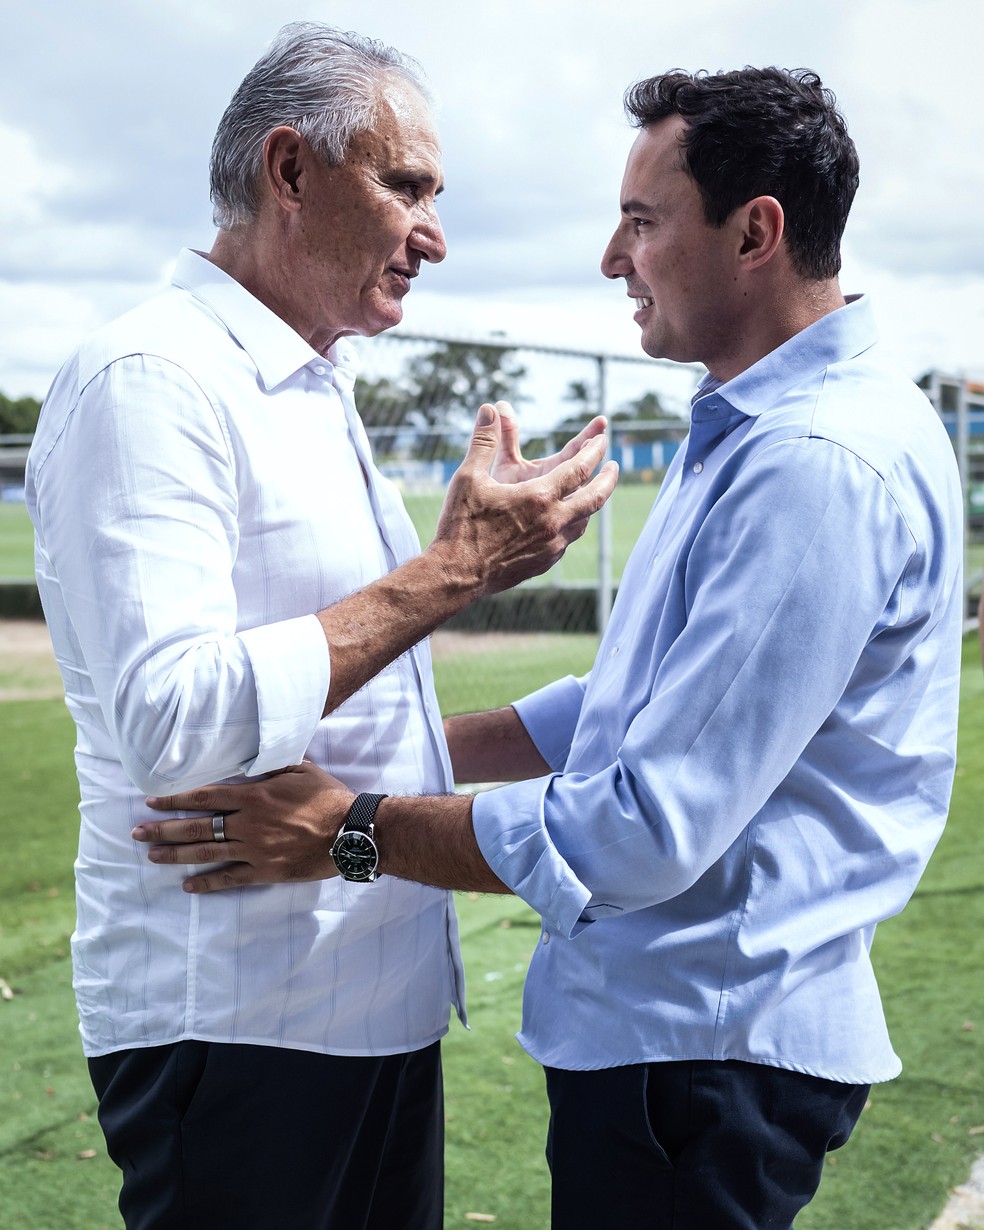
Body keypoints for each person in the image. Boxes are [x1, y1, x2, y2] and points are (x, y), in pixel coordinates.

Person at [136, 67, 965, 1229]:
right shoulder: (759, 426)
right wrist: (413, 744)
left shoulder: (813, 462)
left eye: (641, 221)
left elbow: (641, 827)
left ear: (756, 233)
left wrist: (347, 832)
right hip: (690, 1050)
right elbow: (631, 702)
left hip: (703, 1054)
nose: (611, 259)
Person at [26, 21, 616, 1230]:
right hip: (240, 1026)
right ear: (289, 171)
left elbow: (349, 696)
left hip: (365, 1010)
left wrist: (468, 589)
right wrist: (449, 574)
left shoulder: (307, 378)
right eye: (405, 186)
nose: (434, 233)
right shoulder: (153, 379)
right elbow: (176, 725)